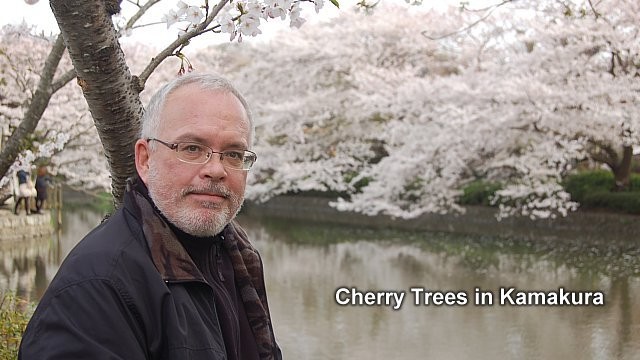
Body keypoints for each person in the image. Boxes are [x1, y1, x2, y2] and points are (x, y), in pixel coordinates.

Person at [19, 73, 281, 360]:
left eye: (233, 153)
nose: (216, 170)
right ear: (145, 159)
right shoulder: (98, 284)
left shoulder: (236, 256)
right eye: (192, 149)